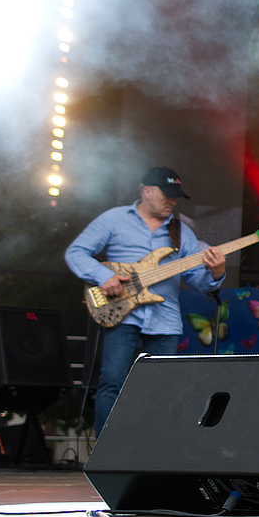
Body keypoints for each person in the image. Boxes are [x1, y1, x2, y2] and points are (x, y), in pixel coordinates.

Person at [66, 167, 226, 436]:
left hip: (165, 319)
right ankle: (106, 449)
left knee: (164, 389)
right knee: (112, 381)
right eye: (167, 194)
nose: (172, 201)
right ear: (146, 191)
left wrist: (217, 273)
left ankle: (153, 448)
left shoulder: (182, 232)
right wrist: (104, 276)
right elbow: (76, 252)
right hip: (121, 314)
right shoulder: (114, 219)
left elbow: (198, 282)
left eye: (176, 196)